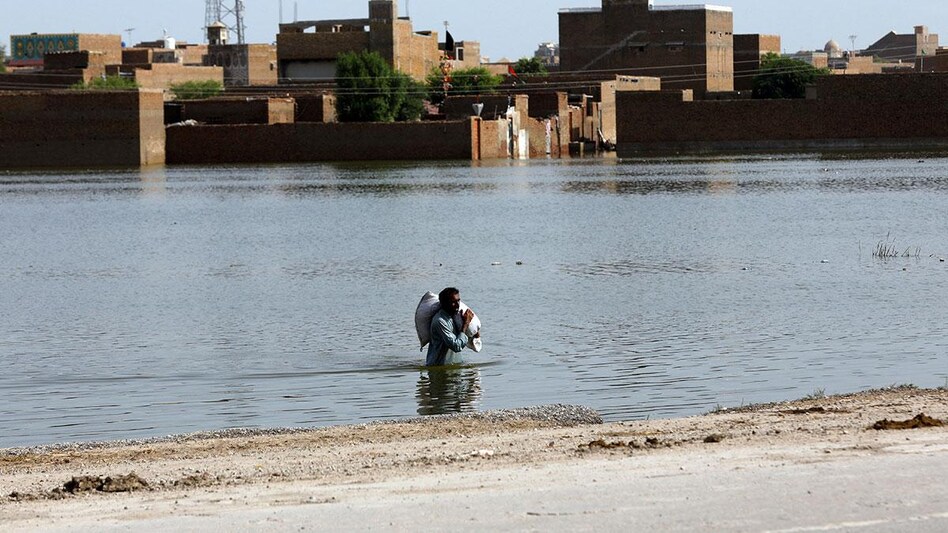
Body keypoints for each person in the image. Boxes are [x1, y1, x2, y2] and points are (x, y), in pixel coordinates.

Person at [425, 287, 479, 367]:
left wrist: (474, 331)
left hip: (455, 366)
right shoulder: (440, 321)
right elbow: (456, 346)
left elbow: (467, 337)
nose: (457, 305)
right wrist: (466, 324)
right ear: (444, 304)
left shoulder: (456, 316)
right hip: (439, 368)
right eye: (453, 302)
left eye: (458, 301)